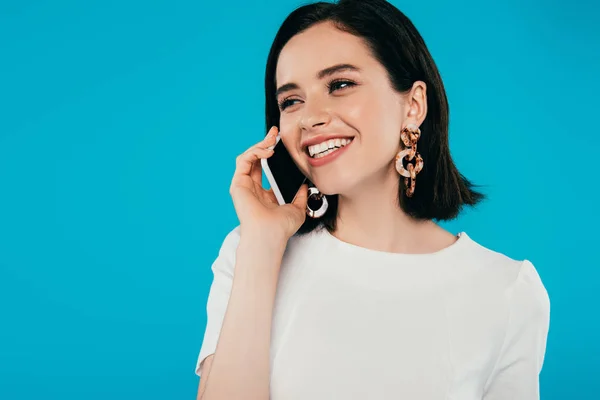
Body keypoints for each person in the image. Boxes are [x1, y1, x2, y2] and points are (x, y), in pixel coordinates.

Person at [194, 0, 550, 399]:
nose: (310, 117)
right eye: (291, 101)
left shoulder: (507, 290)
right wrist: (261, 247)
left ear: (413, 106)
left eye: (340, 85)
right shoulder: (250, 252)